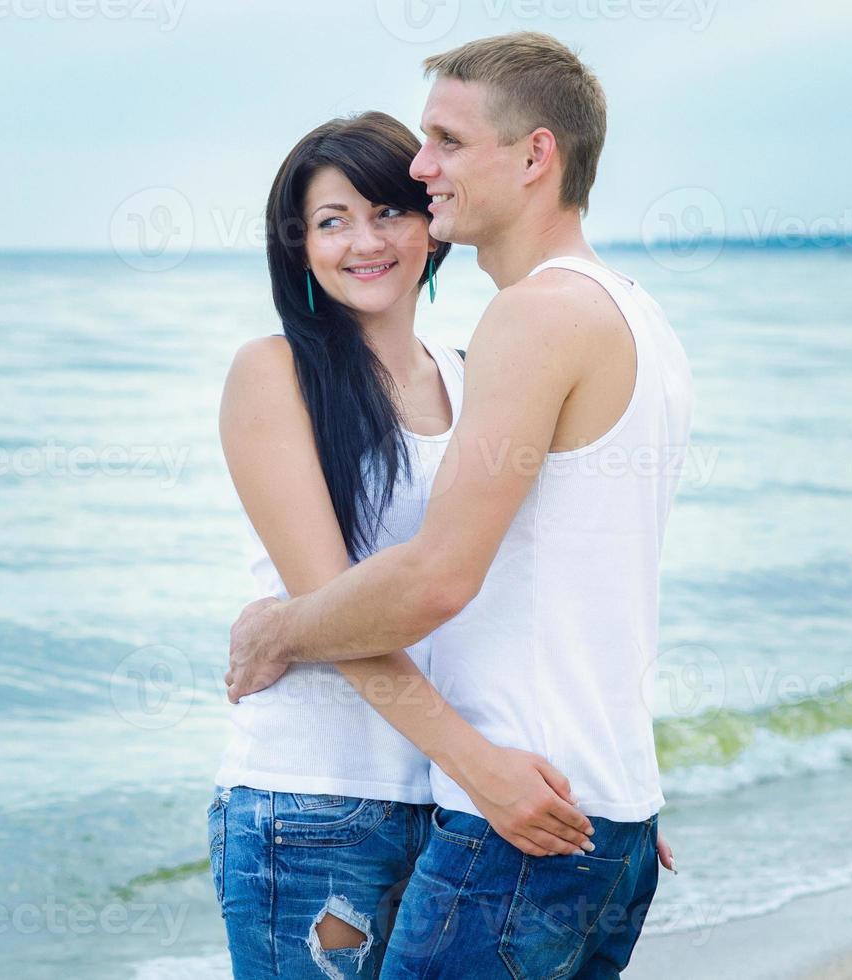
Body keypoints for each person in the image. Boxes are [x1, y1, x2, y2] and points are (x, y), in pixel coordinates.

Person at [225, 33, 693, 978]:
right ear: (297, 245)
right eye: (330, 222)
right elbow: (360, 594)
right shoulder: (274, 373)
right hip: (325, 791)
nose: (367, 240)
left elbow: (513, 581)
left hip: (463, 796)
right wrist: (552, 785)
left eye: (392, 207)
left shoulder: (490, 362)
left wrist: (589, 794)